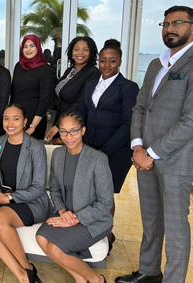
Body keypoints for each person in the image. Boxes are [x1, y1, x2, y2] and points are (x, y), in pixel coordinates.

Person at [116, 5, 193, 283]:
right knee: (150, 220)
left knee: (175, 228)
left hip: (176, 161)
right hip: (144, 157)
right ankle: (149, 271)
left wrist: (152, 152)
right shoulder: (156, 63)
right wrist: (137, 147)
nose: (170, 28)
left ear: (192, 28)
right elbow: (140, 108)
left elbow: (190, 121)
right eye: (166, 24)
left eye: (178, 23)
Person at [0, 103, 52, 283]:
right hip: (2, 196)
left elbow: (39, 187)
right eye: (6, 118)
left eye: (16, 119)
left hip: (31, 201)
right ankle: (23, 274)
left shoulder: (36, 148)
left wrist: (10, 198)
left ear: (25, 122)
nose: (10, 123)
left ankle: (26, 268)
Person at [36, 111, 113, 283]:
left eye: (74, 131)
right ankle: (79, 278)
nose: (68, 136)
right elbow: (55, 189)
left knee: (56, 249)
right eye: (63, 131)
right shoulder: (58, 155)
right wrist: (62, 211)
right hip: (66, 212)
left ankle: (97, 279)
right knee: (41, 238)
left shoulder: (98, 159)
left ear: (83, 131)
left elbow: (106, 202)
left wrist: (76, 218)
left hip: (93, 219)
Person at [79, 39, 139, 253]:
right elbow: (83, 112)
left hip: (115, 150)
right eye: (103, 60)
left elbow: (128, 124)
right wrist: (75, 137)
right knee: (89, 191)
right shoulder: (90, 84)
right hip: (90, 146)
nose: (106, 65)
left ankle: (105, 234)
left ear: (120, 62)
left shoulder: (129, 87)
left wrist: (104, 151)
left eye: (112, 61)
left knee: (104, 195)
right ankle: (97, 232)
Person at [45, 37, 101, 144]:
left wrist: (59, 125)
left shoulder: (93, 73)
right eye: (76, 49)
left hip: (74, 127)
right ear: (71, 52)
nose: (80, 53)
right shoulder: (70, 70)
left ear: (92, 52)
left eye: (85, 49)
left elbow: (81, 103)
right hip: (62, 121)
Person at [11, 35, 54, 139]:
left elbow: (45, 100)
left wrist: (33, 126)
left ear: (38, 48)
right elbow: (14, 94)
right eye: (25, 47)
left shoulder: (45, 69)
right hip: (17, 119)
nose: (28, 50)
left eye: (32, 46)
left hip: (34, 120)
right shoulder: (18, 66)